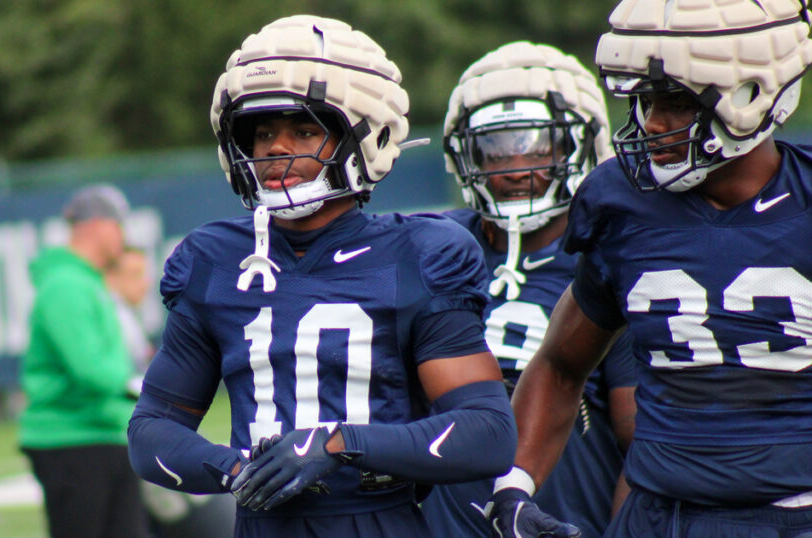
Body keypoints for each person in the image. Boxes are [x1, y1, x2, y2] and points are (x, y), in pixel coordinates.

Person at [127, 14, 517, 538]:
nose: (276, 148)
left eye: (304, 129)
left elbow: (487, 432)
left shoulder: (420, 254)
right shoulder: (214, 261)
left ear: (364, 136)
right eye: (263, 131)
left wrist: (339, 444)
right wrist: (239, 470)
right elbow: (151, 429)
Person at [488, 1, 812, 536]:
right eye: (642, 98)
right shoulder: (621, 201)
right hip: (658, 516)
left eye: (676, 101)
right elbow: (562, 363)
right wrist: (513, 490)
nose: (652, 122)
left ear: (755, 94)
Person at [418, 41, 637, 538]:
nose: (516, 168)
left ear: (582, 145)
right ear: (464, 154)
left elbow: (642, 447)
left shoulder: (611, 259)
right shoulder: (426, 249)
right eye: (494, 149)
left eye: (538, 146)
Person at [19, 183, 148, 538]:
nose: (123, 238)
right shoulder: (66, 286)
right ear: (98, 226)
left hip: (103, 434)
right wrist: (138, 386)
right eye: (119, 227)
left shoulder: (84, 282)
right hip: (74, 440)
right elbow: (91, 369)